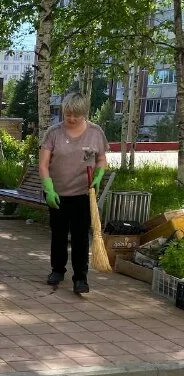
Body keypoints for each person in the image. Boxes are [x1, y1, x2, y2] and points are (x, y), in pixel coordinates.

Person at [40, 92, 108, 294]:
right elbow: (43, 164)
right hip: (58, 194)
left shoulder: (96, 133)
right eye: (67, 114)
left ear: (84, 114)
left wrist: (99, 175)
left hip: (82, 195)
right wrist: (49, 189)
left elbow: (102, 159)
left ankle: (80, 278)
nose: (70, 119)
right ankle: (57, 270)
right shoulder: (53, 133)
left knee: (80, 237)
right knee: (58, 235)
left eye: (75, 116)